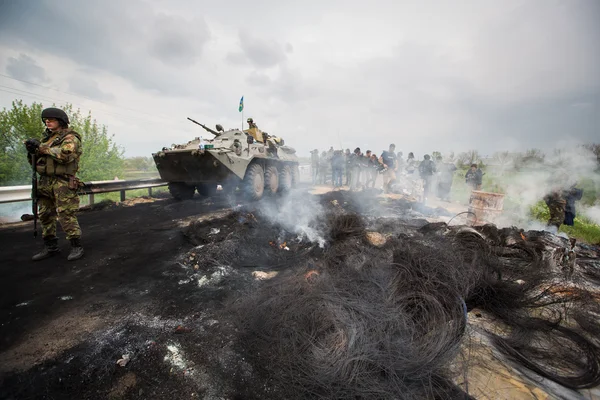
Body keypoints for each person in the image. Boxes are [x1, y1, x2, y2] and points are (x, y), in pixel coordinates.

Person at [24, 107, 84, 261]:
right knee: (45, 214)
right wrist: (31, 151)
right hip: (45, 181)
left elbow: (66, 155)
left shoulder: (70, 138)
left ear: (60, 121)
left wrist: (42, 149)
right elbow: (36, 161)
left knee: (66, 214)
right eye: (46, 120)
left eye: (51, 120)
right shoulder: (46, 139)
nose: (47, 122)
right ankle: (51, 246)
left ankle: (76, 245)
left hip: (62, 182)